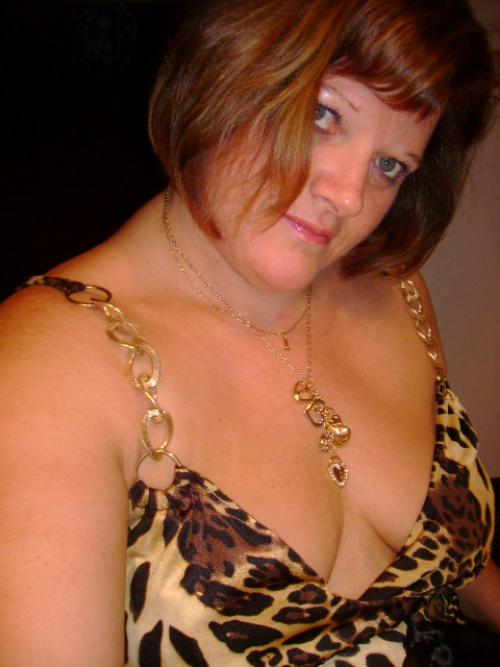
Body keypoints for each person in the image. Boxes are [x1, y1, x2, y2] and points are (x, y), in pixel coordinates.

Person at [0, 0, 498, 665]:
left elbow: (450, 568)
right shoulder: (45, 366)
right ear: (226, 69)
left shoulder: (396, 291)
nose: (349, 195)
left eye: (390, 166)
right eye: (323, 115)